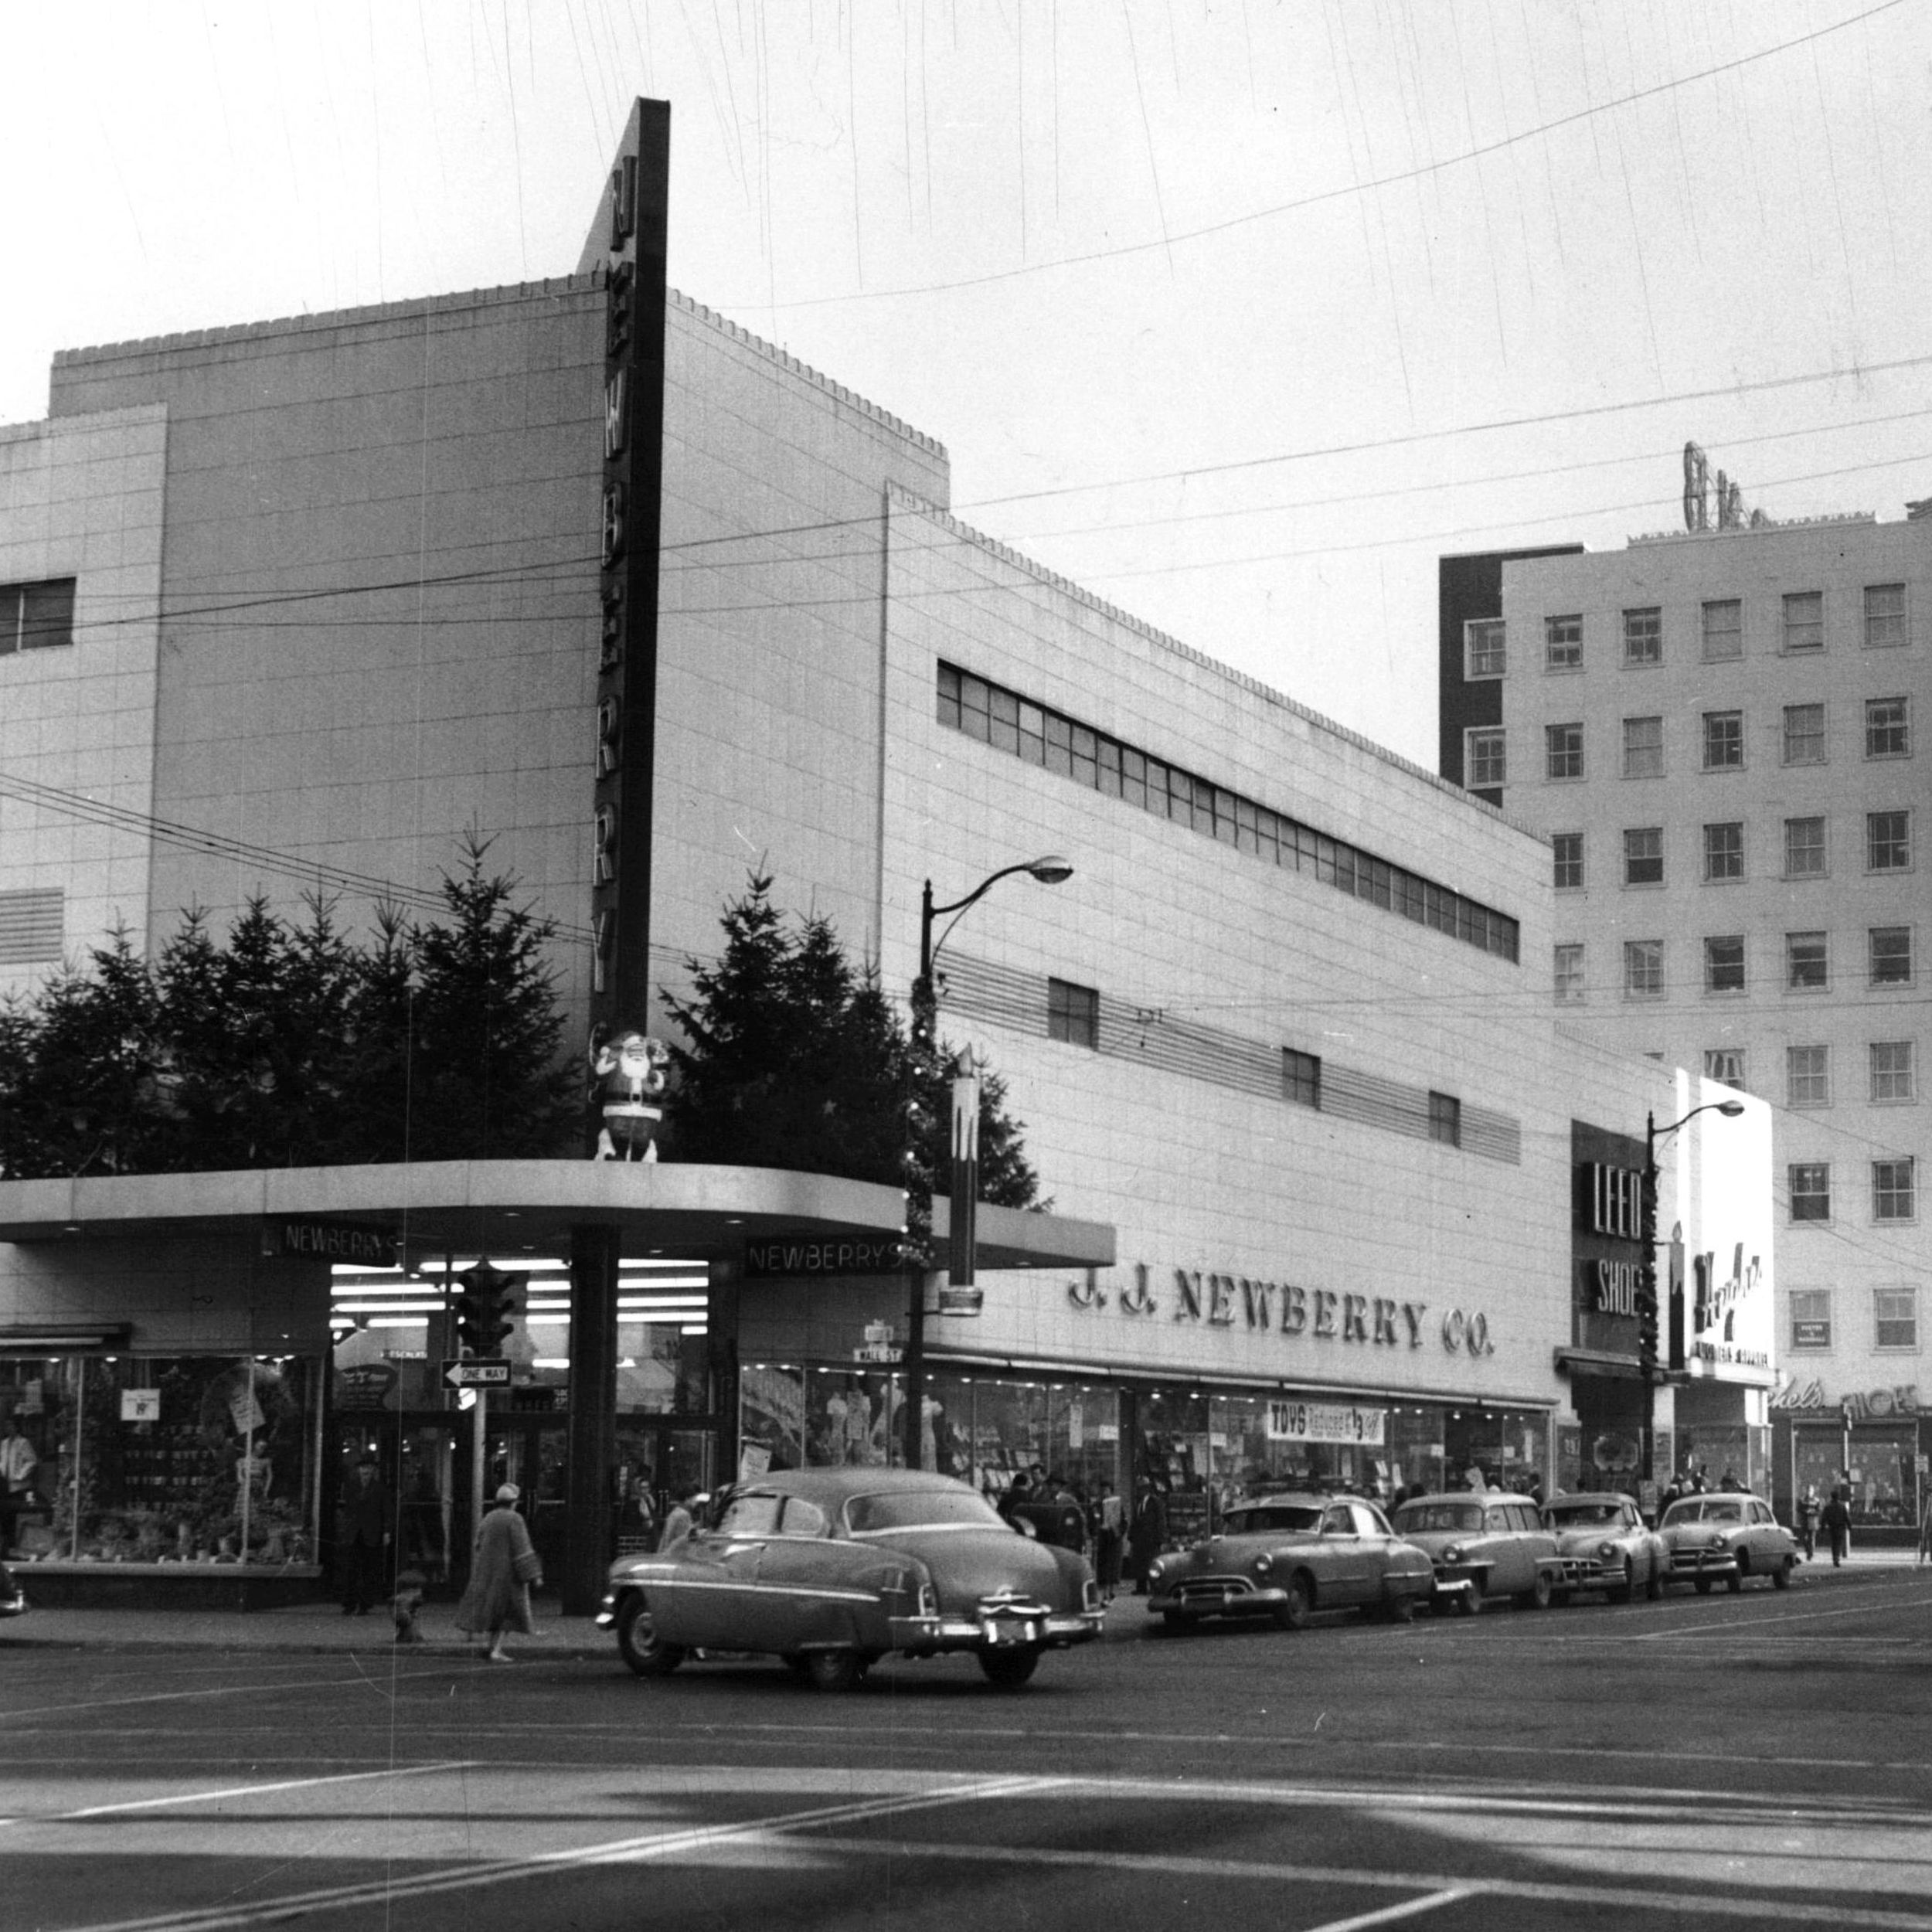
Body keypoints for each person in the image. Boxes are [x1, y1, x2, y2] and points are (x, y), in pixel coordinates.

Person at [455, 1484, 542, 1662]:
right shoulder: (515, 1519)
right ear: (513, 1502)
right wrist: (534, 1575)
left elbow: (478, 1543)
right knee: (509, 1614)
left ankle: (491, 1647)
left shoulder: (488, 1518)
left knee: (494, 1613)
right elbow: (522, 1548)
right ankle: (496, 1649)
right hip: (509, 1575)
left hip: (487, 1573)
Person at [335, 1454, 395, 1616]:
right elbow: (346, 1510)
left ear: (373, 1470)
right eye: (363, 1468)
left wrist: (387, 1532)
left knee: (369, 1570)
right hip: (353, 1533)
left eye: (368, 1468)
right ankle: (349, 1604)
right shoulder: (351, 1486)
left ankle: (365, 1604)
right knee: (351, 1570)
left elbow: (388, 1512)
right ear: (358, 1470)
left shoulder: (380, 1488)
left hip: (372, 1533)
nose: (365, 1471)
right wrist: (344, 1530)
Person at [0, 1415, 38, 1555]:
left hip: (18, 1485)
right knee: (5, 1516)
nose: (8, 1428)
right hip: (5, 1485)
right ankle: (6, 1545)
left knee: (15, 1515)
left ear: (16, 1427)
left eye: (11, 1425)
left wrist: (20, 1475)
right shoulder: (3, 1443)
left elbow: (32, 1461)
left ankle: (14, 1545)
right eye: (6, 1425)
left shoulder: (23, 1442)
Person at [1128, 1484, 1167, 1594]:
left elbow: (1160, 1520)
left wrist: (1160, 1538)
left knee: (1151, 1563)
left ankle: (1154, 1587)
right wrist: (1131, 1537)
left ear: (1147, 1490)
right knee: (1139, 1563)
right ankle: (1141, 1587)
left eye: (1141, 1489)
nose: (1139, 1491)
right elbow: (1135, 1521)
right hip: (1139, 1539)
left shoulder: (1155, 1502)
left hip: (1151, 1539)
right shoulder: (1138, 1503)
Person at [1095, 1482, 1124, 1602]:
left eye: (1106, 1490)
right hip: (1103, 1540)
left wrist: (1117, 1532)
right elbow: (1095, 1521)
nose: (1104, 1493)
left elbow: (1123, 1522)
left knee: (1112, 1567)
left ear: (1111, 1491)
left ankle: (1111, 1592)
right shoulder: (1098, 1505)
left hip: (1113, 1540)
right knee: (1103, 1568)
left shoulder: (1117, 1506)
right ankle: (1104, 1593)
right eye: (1103, 1490)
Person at [657, 1485, 698, 1550]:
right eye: (695, 1498)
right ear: (687, 1499)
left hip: (666, 1551)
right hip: (673, 1554)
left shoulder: (677, 1511)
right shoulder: (683, 1514)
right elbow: (683, 1539)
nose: (696, 1501)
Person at [1821, 1486, 1852, 1568]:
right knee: (1838, 1543)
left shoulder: (1828, 1507)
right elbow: (1846, 1517)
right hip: (1841, 1527)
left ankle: (1835, 1557)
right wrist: (1849, 1526)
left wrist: (1822, 1527)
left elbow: (1824, 1518)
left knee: (1834, 1543)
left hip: (1832, 1527)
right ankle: (1837, 1558)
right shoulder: (1842, 1507)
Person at [1797, 1485, 1821, 1561]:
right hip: (1804, 1521)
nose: (1809, 1492)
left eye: (1810, 1491)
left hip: (1813, 1521)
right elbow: (1798, 1509)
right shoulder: (1802, 1500)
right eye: (1808, 1490)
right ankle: (1807, 1550)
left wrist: (1812, 1512)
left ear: (1813, 1491)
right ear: (1805, 1491)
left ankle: (1810, 1554)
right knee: (1804, 1538)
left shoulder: (1816, 1500)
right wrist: (1805, 1511)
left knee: (1812, 1538)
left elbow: (1819, 1511)